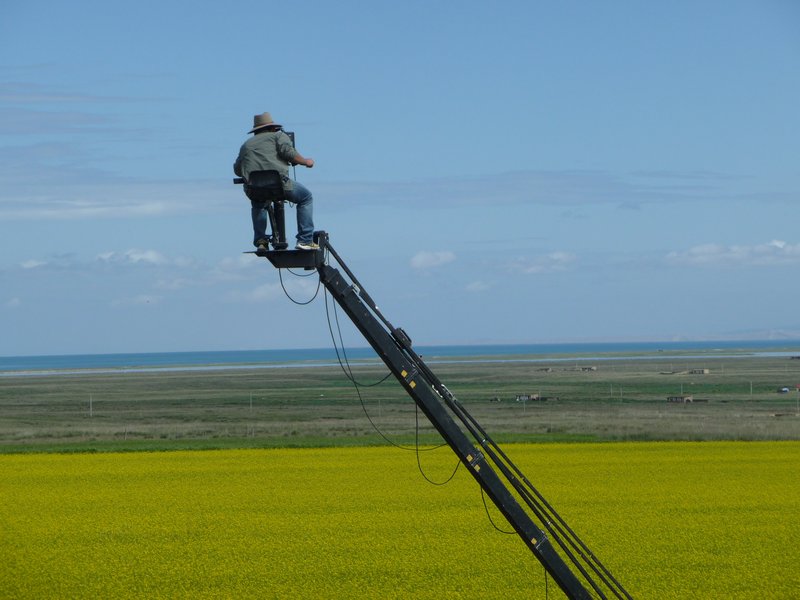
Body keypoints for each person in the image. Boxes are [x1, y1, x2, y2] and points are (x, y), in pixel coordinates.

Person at [233, 112, 318, 251]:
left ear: (256, 131)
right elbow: (288, 153)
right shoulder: (278, 136)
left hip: (254, 188)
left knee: (259, 204)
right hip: (279, 185)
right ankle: (305, 240)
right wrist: (306, 162)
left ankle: (261, 241)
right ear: (272, 128)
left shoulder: (246, 145)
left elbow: (238, 169)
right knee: (306, 198)